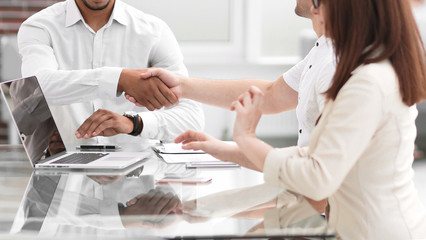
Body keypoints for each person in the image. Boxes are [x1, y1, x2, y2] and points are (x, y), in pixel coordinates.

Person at [176, 0, 426, 238]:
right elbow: (316, 156)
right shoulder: (361, 67)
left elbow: (317, 180)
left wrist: (245, 138)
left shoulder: (365, 82)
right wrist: (228, 150)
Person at [17, 0, 204, 148]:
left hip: (137, 176)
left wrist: (135, 123)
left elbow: (192, 117)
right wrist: (119, 79)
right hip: (65, 174)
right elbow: (41, 85)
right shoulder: (39, 26)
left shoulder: (154, 31)